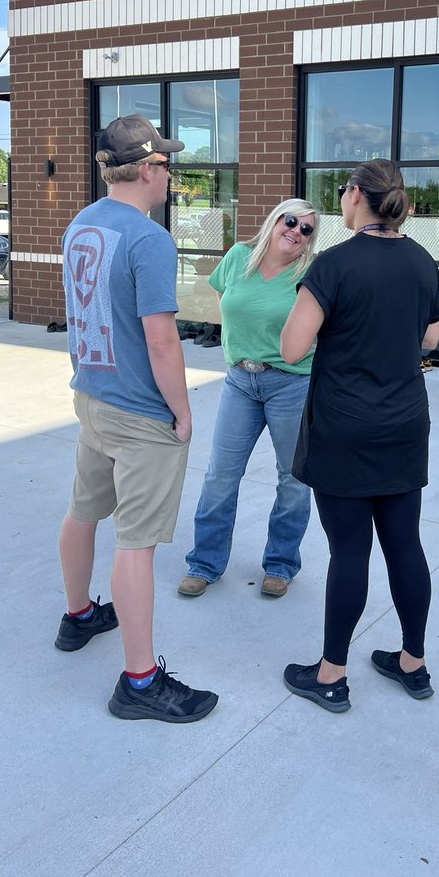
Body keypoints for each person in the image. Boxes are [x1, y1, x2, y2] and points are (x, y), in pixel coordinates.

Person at [56, 113, 218, 724]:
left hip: (93, 396)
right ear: (148, 168)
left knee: (84, 509)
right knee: (137, 545)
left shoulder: (82, 224)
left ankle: (78, 618)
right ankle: (142, 682)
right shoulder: (149, 239)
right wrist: (181, 412)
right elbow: (161, 341)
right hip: (139, 409)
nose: (171, 175)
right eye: (167, 164)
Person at [279, 159, 439, 713]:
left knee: (349, 551)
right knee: (405, 546)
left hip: (344, 428)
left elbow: (292, 348)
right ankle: (413, 664)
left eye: (343, 194)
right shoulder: (422, 261)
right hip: (403, 425)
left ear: (354, 196)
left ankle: (331, 675)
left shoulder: (334, 264)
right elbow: (429, 337)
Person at [178, 199, 319, 600]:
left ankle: (280, 565)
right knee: (220, 475)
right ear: (275, 220)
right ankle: (204, 564)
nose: (296, 231)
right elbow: (226, 299)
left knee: (292, 478)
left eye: (307, 229)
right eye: (291, 220)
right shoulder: (239, 257)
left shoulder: (310, 271)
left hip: (291, 384)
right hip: (241, 380)